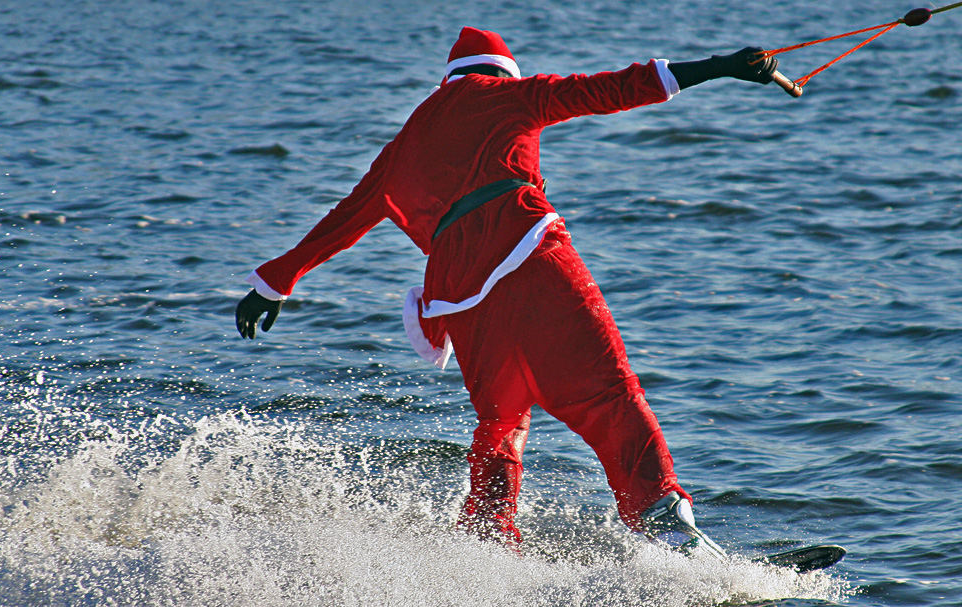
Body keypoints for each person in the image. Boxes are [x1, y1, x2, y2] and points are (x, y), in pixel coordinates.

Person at [235, 26, 778, 558]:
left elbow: (345, 218)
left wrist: (274, 284)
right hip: (529, 257)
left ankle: (487, 548)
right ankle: (668, 527)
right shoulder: (509, 96)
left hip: (461, 305)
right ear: (501, 71)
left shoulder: (402, 146)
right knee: (608, 395)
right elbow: (612, 87)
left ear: (449, 79)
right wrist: (718, 67)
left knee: (501, 426)